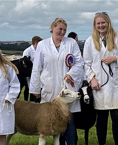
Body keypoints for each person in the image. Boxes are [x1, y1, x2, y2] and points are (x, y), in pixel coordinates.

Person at [29, 17, 84, 145]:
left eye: (65, 30)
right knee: (50, 123)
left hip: (68, 90)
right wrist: (35, 89)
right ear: (53, 28)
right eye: (60, 29)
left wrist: (71, 74)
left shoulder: (71, 43)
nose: (63, 32)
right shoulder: (43, 45)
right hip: (50, 89)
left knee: (69, 124)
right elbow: (36, 68)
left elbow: (79, 62)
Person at [83, 12, 118, 145]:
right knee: (101, 122)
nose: (101, 25)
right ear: (94, 25)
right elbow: (86, 64)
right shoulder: (89, 41)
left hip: (117, 87)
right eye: (98, 23)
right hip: (100, 87)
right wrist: (92, 79)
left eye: (103, 22)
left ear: (108, 23)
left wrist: (116, 59)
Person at [23, 36, 42, 103]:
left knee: (37, 90)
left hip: (38, 74)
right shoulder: (27, 51)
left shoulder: (40, 51)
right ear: (36, 43)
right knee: (29, 89)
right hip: (29, 74)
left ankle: (35, 102)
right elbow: (25, 64)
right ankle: (27, 101)